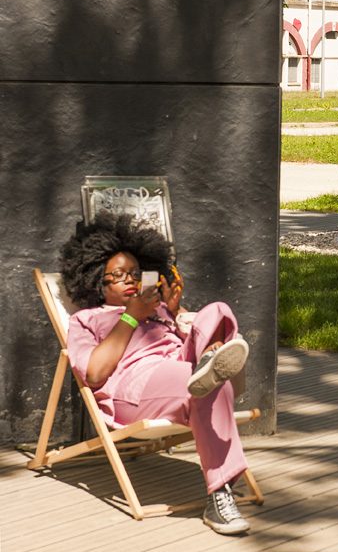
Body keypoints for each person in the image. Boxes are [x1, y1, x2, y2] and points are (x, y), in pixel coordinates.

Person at [61, 211, 251, 535]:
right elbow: (94, 373)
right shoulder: (88, 319)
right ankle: (220, 495)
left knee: (216, 311)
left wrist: (174, 313)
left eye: (136, 273)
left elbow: (181, 342)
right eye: (120, 276)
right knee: (203, 383)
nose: (131, 280)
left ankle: (210, 359)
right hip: (135, 384)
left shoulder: (157, 309)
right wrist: (132, 317)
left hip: (180, 366)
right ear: (97, 283)